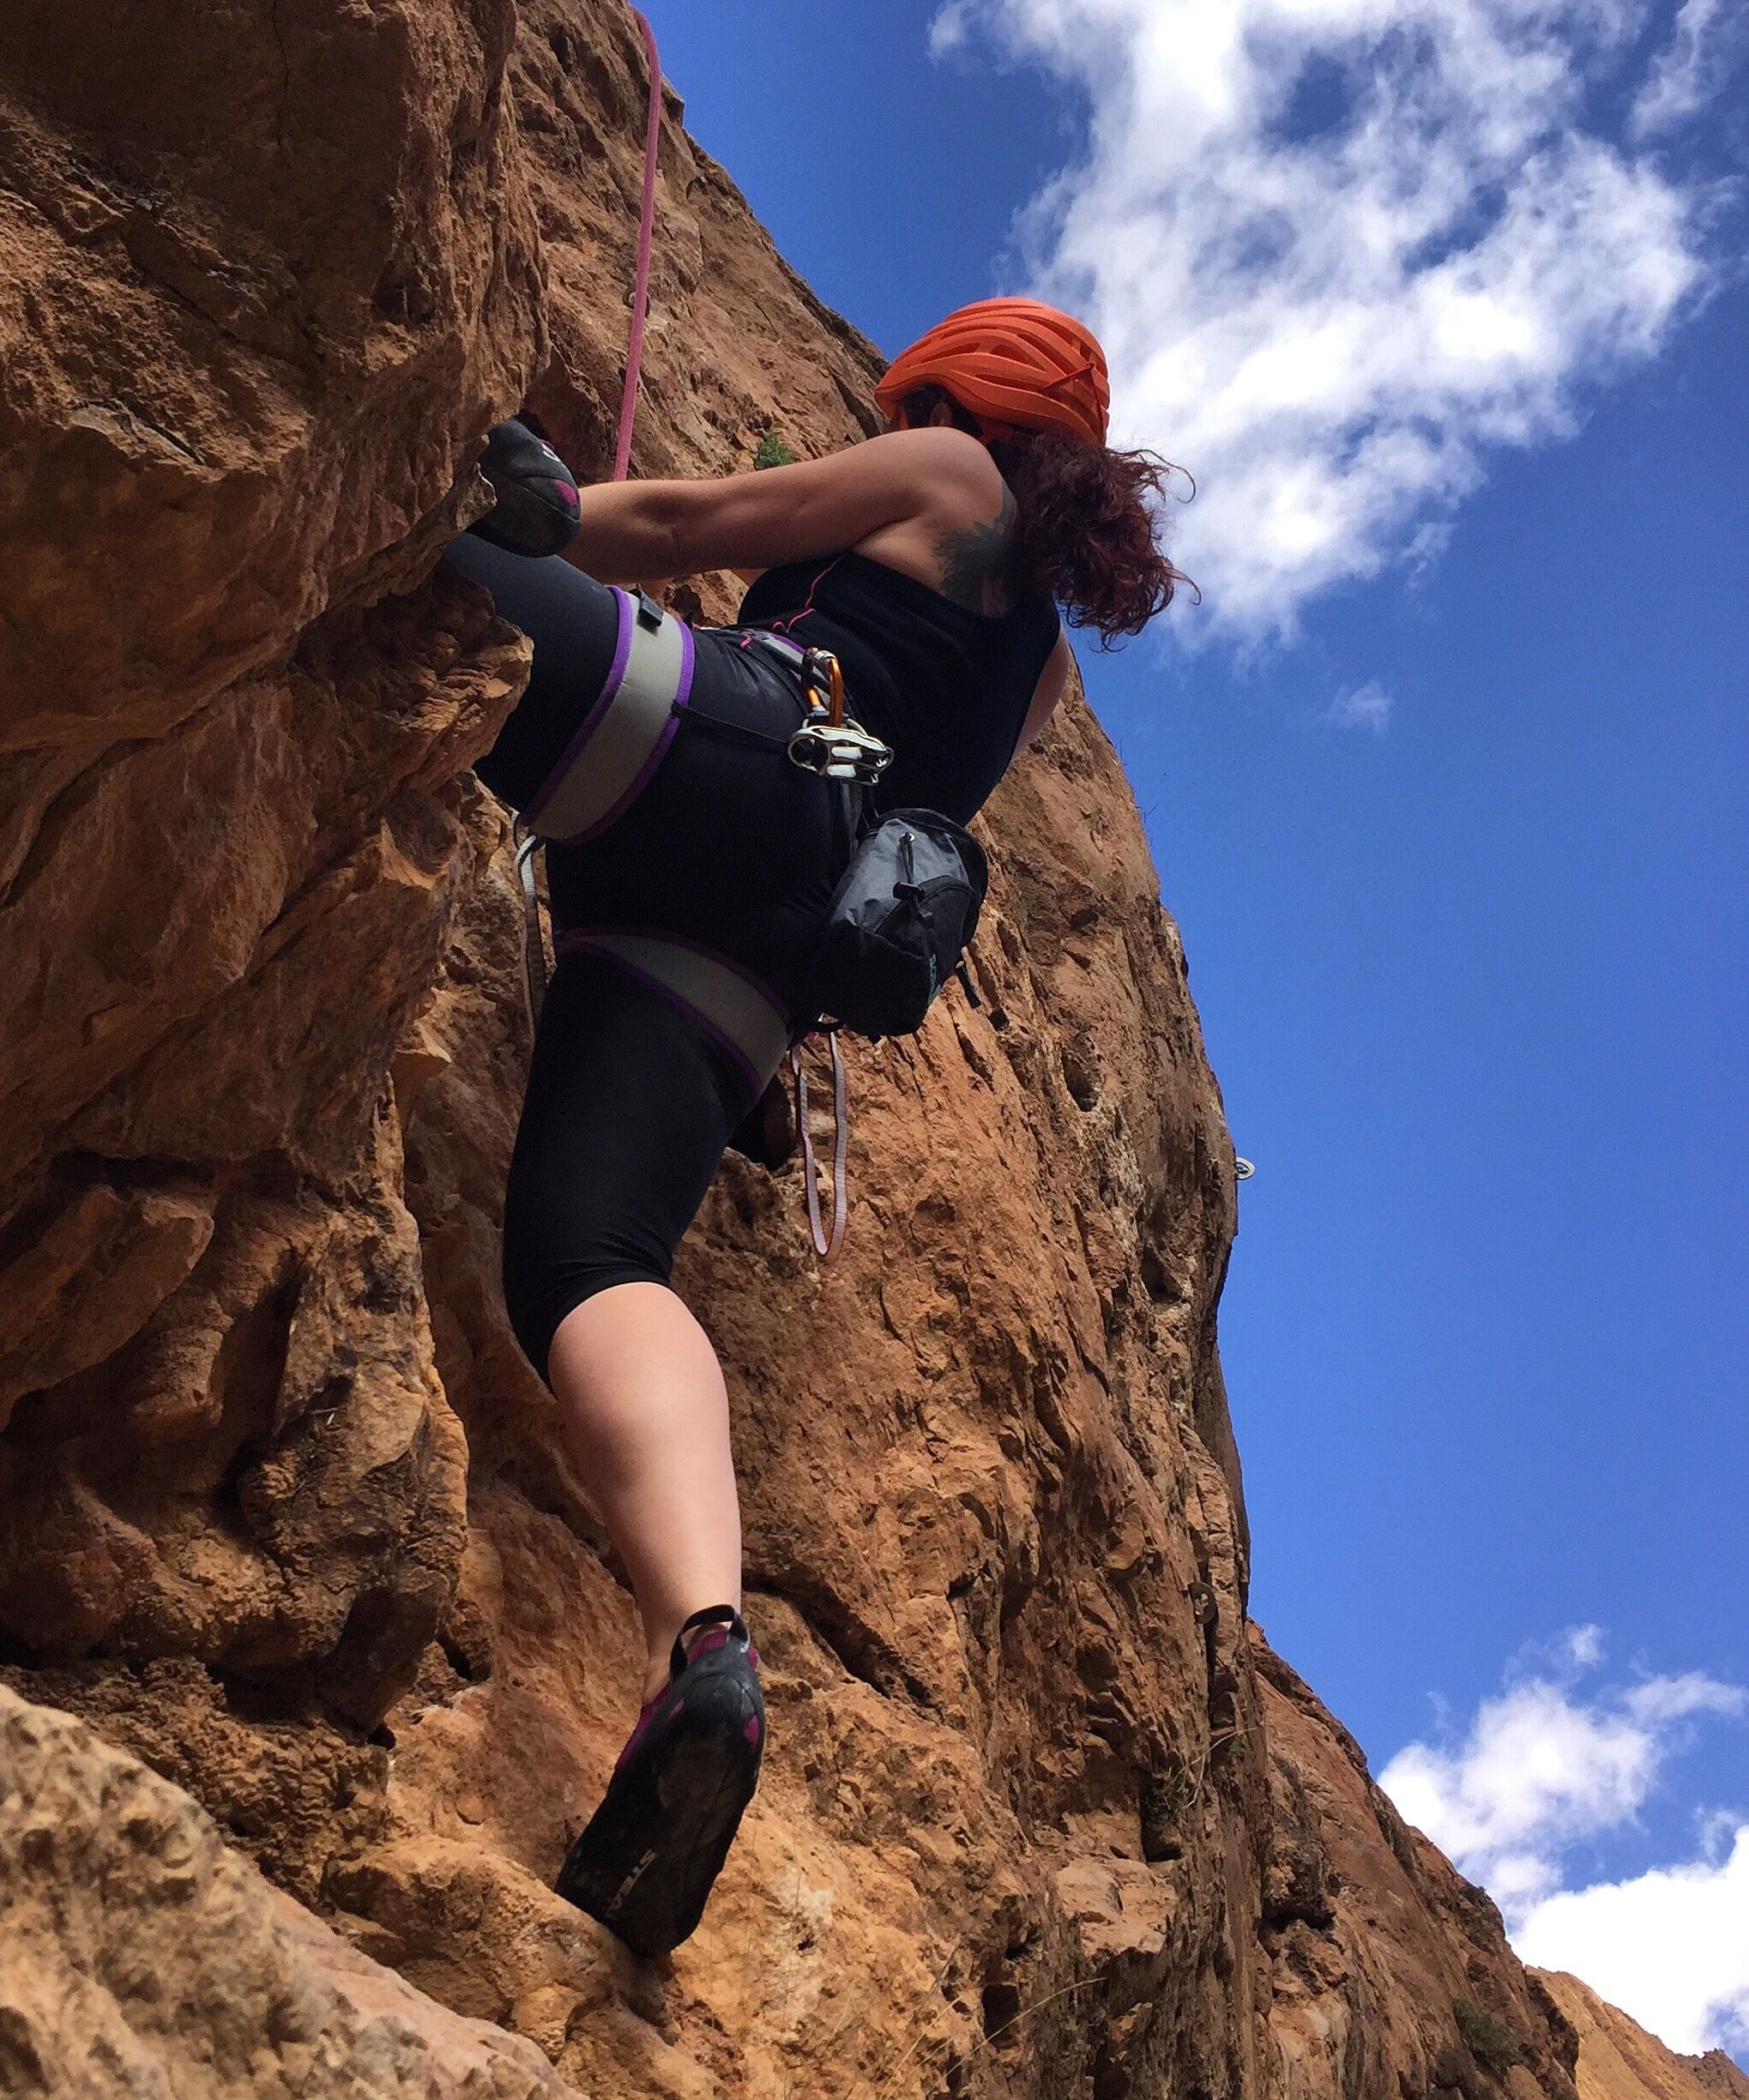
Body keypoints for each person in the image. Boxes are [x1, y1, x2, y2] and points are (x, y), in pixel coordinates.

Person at [439, 299, 1189, 1960]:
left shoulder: (936, 468)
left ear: (958, 394)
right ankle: (700, 1646)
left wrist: (545, 522)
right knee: (587, 1261)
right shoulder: (1041, 672)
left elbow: (702, 526)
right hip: (755, 962)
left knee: (411, 554)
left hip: (726, 759)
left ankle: (414, 522)